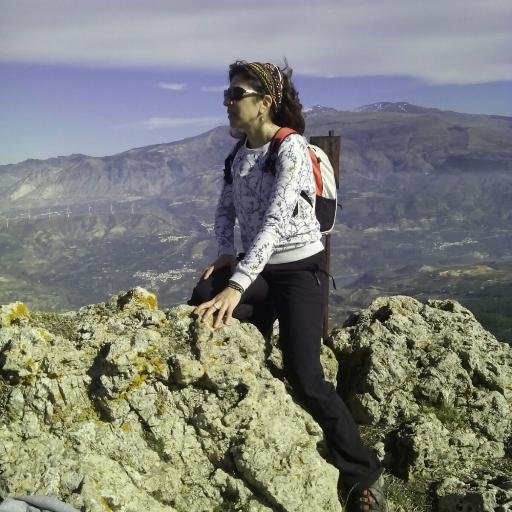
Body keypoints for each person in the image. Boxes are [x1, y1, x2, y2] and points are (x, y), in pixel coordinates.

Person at [188, 60, 388, 512]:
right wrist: (225, 255)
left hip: (300, 271)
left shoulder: (291, 149)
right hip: (259, 269)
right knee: (203, 299)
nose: (227, 102)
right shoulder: (238, 156)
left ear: (264, 102)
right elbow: (225, 214)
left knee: (307, 375)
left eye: (235, 94)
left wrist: (237, 285)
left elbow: (277, 222)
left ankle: (362, 474)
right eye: (227, 94)